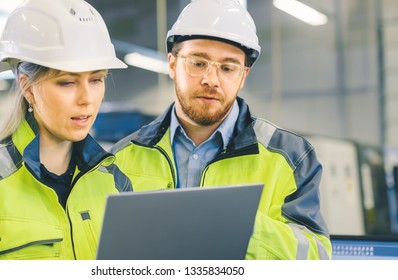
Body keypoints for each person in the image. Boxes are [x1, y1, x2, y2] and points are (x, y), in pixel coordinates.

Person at [111, 0, 331, 259]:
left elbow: (317, 256)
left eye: (227, 68)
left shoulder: (292, 156)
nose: (211, 80)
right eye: (197, 62)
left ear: (243, 75)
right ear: (172, 64)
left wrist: (238, 223)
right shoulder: (121, 157)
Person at [0, 0, 131, 260]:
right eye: (67, 82)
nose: (87, 98)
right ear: (28, 88)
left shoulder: (116, 183)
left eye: (96, 80)